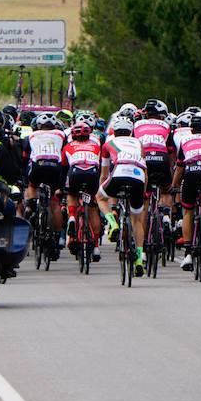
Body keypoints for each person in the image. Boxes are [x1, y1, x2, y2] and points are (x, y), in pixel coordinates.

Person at [97, 116, 148, 277]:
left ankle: (112, 223)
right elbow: (145, 172)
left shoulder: (108, 143)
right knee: (137, 220)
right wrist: (143, 192)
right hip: (138, 176)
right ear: (131, 131)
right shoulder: (139, 143)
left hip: (119, 172)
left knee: (100, 197)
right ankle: (139, 259)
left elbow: (105, 173)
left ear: (114, 131)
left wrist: (103, 187)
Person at [171, 114, 201, 271]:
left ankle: (187, 252)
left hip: (191, 171)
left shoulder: (184, 140)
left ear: (191, 129)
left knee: (188, 211)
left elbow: (179, 167)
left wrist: (174, 186)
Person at [24, 112, 67, 254]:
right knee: (55, 203)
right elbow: (64, 152)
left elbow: (25, 156)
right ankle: (56, 235)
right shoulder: (61, 135)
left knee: (32, 185)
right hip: (55, 168)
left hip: (38, 167)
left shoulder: (31, 136)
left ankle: (31, 205)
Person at [134, 99, 176, 242]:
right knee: (166, 189)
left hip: (144, 160)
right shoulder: (166, 125)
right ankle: (165, 214)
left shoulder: (137, 124)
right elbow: (171, 151)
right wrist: (169, 169)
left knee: (145, 201)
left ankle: (144, 240)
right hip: (162, 159)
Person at [62, 122, 103, 262]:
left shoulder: (68, 146)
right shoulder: (96, 146)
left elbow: (63, 166)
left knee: (72, 194)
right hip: (92, 174)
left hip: (75, 173)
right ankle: (96, 246)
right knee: (93, 209)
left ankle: (72, 216)